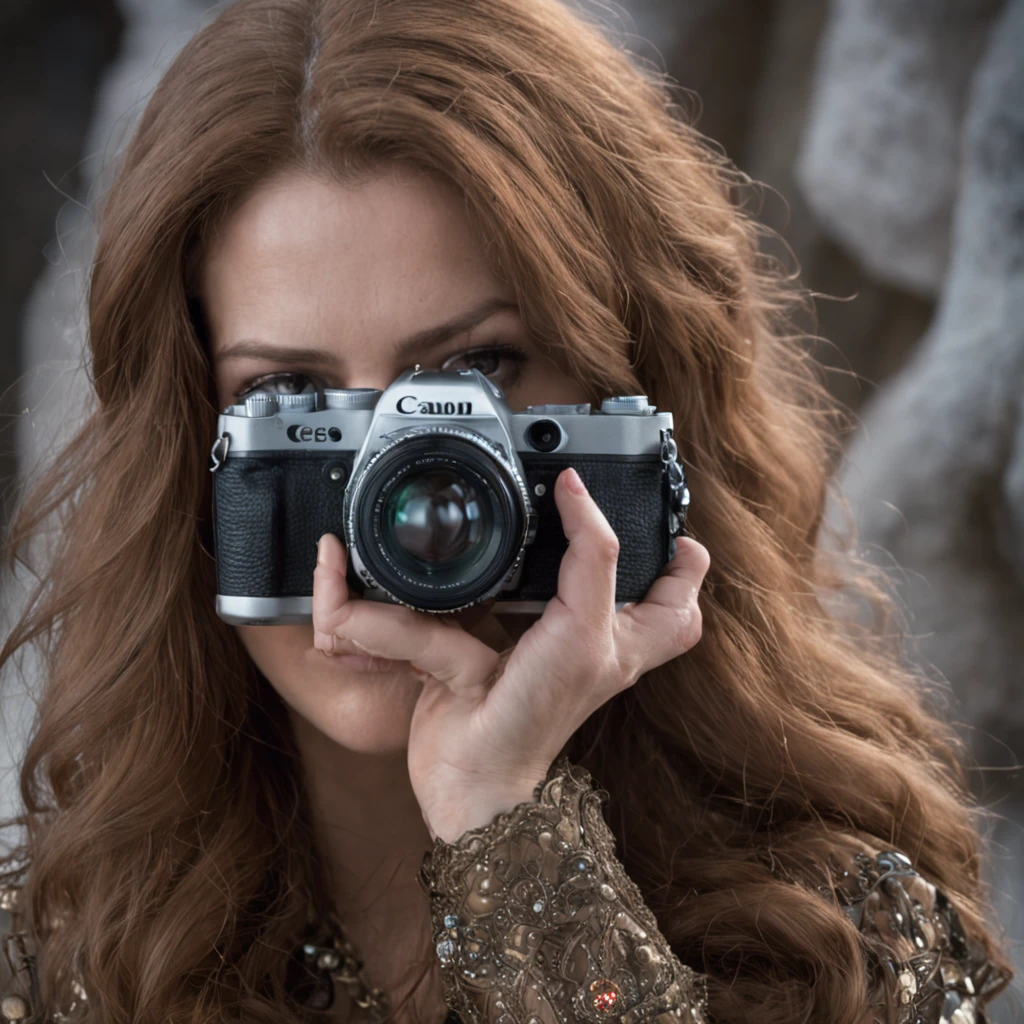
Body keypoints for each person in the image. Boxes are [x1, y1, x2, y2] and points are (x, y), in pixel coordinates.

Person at [0, 0, 1014, 1022]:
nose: (395, 506)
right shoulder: (61, 955)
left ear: (632, 412)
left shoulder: (848, 936)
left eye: (476, 372)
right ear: (190, 454)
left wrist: (509, 828)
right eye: (291, 401)